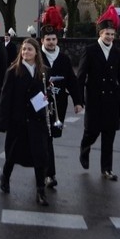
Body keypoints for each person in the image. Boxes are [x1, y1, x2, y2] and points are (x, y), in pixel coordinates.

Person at [0, 37, 51, 206]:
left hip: (36, 120)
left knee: (39, 156)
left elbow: (45, 92)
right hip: (18, 121)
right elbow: (5, 98)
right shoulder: (13, 71)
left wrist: (45, 99)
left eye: (29, 49)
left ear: (36, 52)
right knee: (12, 154)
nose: (26, 52)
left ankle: (40, 191)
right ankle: (5, 176)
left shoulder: (43, 71)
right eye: (24, 49)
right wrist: (3, 122)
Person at [77, 5, 120, 181]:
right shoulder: (90, 51)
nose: (110, 37)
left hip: (112, 99)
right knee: (92, 132)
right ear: (100, 33)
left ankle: (107, 169)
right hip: (94, 98)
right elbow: (81, 75)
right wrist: (78, 99)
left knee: (109, 136)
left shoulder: (117, 52)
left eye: (113, 34)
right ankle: (85, 148)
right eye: (107, 34)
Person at [41, 26, 82, 188]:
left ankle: (42, 168)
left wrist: (78, 101)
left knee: (50, 136)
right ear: (42, 41)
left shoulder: (64, 59)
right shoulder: (36, 56)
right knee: (47, 137)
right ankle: (49, 174)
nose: (51, 42)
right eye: (48, 39)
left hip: (59, 104)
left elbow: (72, 81)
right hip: (39, 104)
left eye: (53, 39)